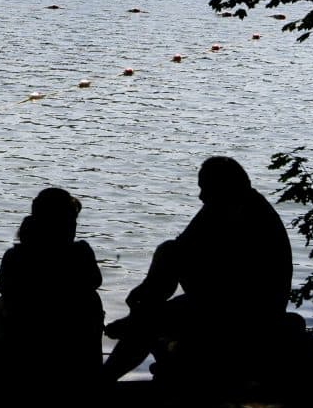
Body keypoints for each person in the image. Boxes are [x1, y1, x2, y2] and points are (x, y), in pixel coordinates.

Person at [102, 156, 293, 384]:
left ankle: (105, 377)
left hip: (247, 310)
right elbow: (184, 247)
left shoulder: (250, 217)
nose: (201, 196)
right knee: (168, 258)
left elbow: (233, 282)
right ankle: (138, 323)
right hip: (227, 299)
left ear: (223, 187)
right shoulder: (225, 206)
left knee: (149, 318)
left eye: (205, 189)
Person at [0, 187, 104, 387]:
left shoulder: (15, 257)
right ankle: (87, 373)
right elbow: (95, 282)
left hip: (24, 349)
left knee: (2, 304)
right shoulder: (81, 254)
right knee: (91, 300)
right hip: (73, 353)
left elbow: (4, 287)